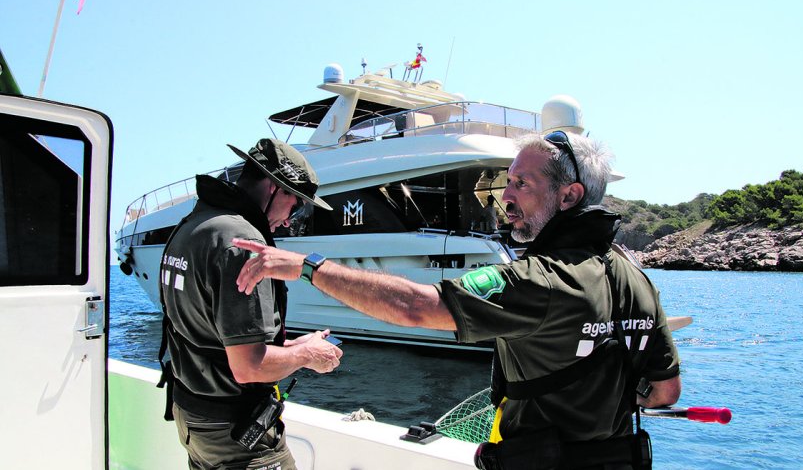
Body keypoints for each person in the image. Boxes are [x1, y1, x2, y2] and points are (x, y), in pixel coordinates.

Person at [232, 132, 682, 469]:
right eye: (507, 182)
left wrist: (307, 267)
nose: (505, 197)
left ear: (570, 195)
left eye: (522, 184)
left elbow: (416, 307)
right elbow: (664, 392)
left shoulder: (539, 280)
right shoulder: (636, 278)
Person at [158, 138, 343, 470]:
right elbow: (248, 367)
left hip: (194, 417)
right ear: (275, 188)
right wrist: (307, 355)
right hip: (234, 431)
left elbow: (211, 334)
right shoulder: (243, 243)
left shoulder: (195, 224)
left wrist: (287, 345)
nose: (289, 220)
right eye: (296, 204)